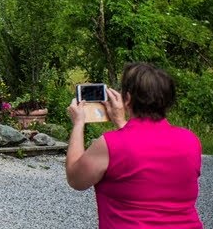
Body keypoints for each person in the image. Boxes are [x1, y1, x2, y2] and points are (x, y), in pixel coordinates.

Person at [65, 63, 203, 229]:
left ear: (128, 99)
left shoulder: (110, 144)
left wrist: (79, 123)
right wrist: (121, 122)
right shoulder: (190, 141)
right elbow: (145, 152)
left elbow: (76, 179)